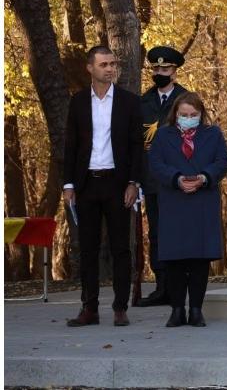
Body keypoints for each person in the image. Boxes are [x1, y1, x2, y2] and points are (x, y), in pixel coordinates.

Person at [62, 45, 144, 327]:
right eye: (103, 64)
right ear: (90, 68)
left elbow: (136, 146)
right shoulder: (78, 102)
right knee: (88, 248)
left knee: (121, 247)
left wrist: (134, 182)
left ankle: (120, 307)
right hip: (86, 184)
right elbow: (70, 145)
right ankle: (89, 308)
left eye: (112, 64)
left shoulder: (129, 102)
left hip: (117, 184)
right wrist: (69, 184)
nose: (110, 69)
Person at [148, 92, 227, 328]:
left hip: (202, 202)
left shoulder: (212, 134)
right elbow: (156, 163)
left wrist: (204, 177)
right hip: (174, 201)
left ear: (201, 114)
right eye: (184, 115)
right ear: (175, 114)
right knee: (175, 259)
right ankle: (176, 310)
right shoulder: (163, 135)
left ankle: (196, 309)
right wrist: (176, 179)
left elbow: (221, 161)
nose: (189, 118)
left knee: (198, 259)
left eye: (193, 115)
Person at [135, 45, 189, 308]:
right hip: (153, 180)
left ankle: (181, 286)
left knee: (180, 231)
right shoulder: (143, 101)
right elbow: (137, 143)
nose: (160, 72)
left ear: (174, 72)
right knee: (157, 233)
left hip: (180, 179)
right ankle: (162, 286)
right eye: (156, 69)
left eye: (165, 69)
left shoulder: (186, 100)